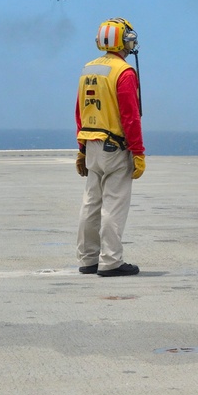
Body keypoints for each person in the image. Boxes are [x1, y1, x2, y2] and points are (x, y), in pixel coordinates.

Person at [74, 17, 145, 276]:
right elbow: (130, 116)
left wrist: (81, 148)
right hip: (116, 148)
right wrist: (138, 152)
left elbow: (80, 111)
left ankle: (88, 259)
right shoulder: (123, 72)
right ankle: (111, 261)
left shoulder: (88, 69)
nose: (131, 42)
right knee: (113, 206)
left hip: (91, 146)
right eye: (128, 38)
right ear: (121, 40)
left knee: (90, 204)